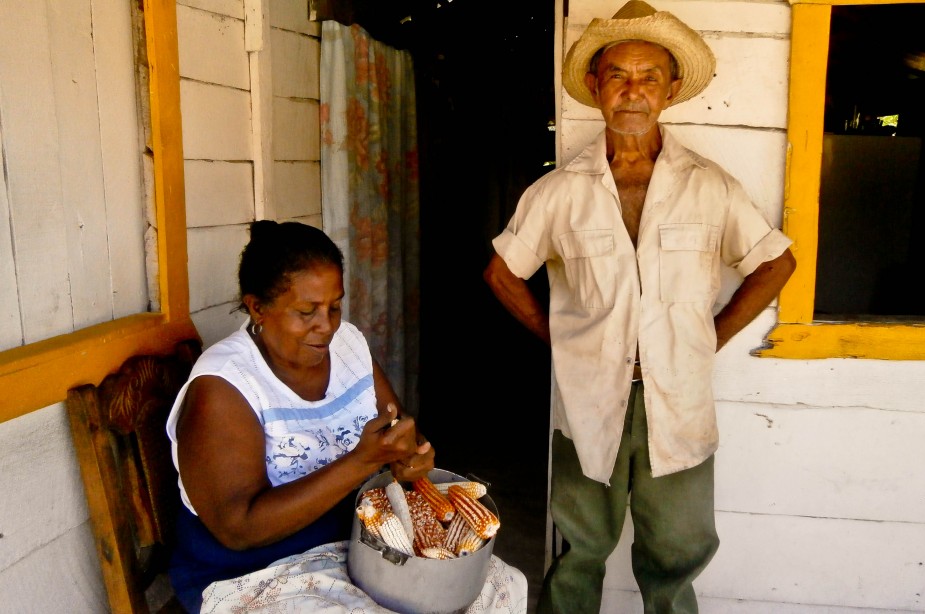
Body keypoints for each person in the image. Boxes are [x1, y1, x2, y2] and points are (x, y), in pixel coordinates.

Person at [482, 2, 797, 613]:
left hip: (676, 401)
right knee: (579, 549)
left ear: (671, 89)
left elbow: (774, 263)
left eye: (648, 76)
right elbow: (502, 272)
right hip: (587, 401)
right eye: (618, 76)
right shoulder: (558, 192)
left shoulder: (709, 185)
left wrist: (712, 334)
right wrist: (561, 338)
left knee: (676, 553)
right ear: (597, 87)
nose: (632, 91)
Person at [167, 220, 527, 613]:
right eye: (307, 312)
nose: (326, 326)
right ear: (258, 308)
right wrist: (363, 462)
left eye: (334, 306)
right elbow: (239, 529)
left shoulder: (348, 345)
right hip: (253, 569)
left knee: (499, 584)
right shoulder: (225, 386)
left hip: (352, 541)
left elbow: (398, 424)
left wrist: (410, 455)